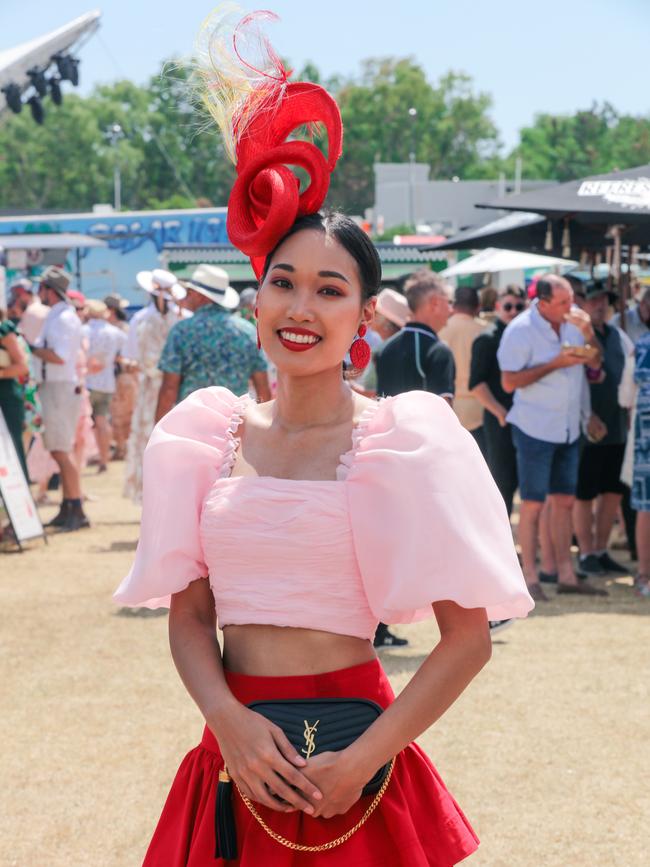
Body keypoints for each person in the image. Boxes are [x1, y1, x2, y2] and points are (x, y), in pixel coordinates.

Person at [114, 23, 532, 866]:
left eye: (329, 289)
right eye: (283, 282)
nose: (300, 307)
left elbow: (468, 637)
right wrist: (227, 722)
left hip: (360, 762)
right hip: (235, 762)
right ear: (257, 296)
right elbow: (191, 615)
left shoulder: (401, 440)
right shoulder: (204, 435)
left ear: (361, 316)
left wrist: (365, 757)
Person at [498, 274, 607, 601]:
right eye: (562, 302)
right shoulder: (520, 330)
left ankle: (565, 574)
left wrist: (589, 335)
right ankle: (529, 577)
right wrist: (556, 362)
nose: (570, 306)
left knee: (564, 502)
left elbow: (597, 362)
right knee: (532, 506)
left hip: (569, 427)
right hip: (534, 428)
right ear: (542, 303)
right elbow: (508, 382)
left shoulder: (575, 324)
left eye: (571, 299)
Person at [155, 265, 271, 422]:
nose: (186, 296)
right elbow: (262, 386)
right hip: (234, 428)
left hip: (191, 425)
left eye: (190, 292)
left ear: (202, 297)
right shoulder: (247, 331)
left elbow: (169, 388)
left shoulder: (181, 331)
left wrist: (158, 431)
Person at [573, 281, 633, 577]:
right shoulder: (577, 337)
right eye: (594, 300)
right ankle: (585, 553)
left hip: (618, 426)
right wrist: (587, 415)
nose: (600, 306)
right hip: (587, 428)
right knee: (584, 493)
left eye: (604, 301)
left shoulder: (618, 336)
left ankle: (600, 549)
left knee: (612, 492)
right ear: (584, 304)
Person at [28, 266, 89, 531]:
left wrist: (28, 347)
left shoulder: (63, 318)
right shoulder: (59, 315)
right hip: (56, 386)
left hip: (59, 387)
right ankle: (69, 506)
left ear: (49, 291)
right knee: (59, 449)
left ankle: (75, 506)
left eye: (40, 287)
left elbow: (59, 356)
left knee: (61, 450)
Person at [123, 274, 184, 503]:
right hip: (177, 388)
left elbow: (131, 358)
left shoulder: (139, 319)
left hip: (150, 389)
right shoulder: (181, 319)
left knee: (148, 437)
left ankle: (148, 494)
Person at [469, 284, 527, 516]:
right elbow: (476, 384)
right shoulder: (487, 338)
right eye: (508, 306)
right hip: (500, 422)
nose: (513, 311)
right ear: (497, 306)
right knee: (502, 484)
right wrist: (501, 413)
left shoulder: (524, 336)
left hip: (526, 420)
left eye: (519, 307)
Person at [375, 271, 455, 402]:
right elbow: (443, 411)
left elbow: (380, 403)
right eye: (449, 302)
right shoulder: (438, 351)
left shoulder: (384, 348)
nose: (451, 309)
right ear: (435, 303)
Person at [439, 286, 488, 455]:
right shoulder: (486, 330)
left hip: (449, 408)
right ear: (478, 306)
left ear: (453, 305)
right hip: (482, 407)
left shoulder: (441, 329)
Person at [619, 331, 650, 595]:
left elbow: (624, 398)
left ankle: (644, 574)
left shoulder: (639, 347)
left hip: (645, 441)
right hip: (645, 441)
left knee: (645, 508)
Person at [84, 299, 125, 472]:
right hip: (107, 381)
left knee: (86, 422)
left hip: (86, 382)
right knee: (102, 421)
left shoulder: (83, 330)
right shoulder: (114, 332)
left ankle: (86, 457)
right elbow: (126, 351)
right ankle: (103, 460)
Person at [0, 307, 30, 478]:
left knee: (12, 450)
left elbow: (22, 366)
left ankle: (20, 500)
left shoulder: (4, 330)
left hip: (6, 398)